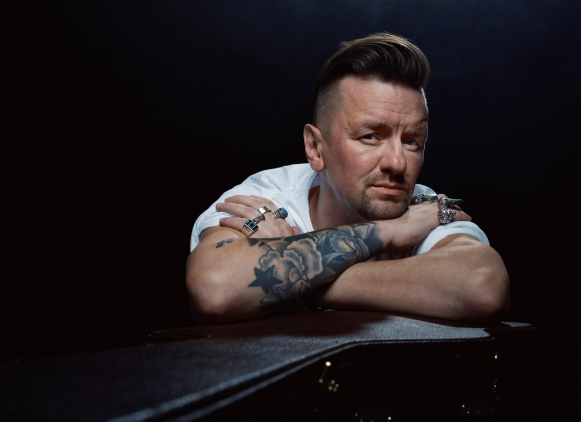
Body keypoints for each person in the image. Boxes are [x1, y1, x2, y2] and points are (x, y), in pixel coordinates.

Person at [186, 33, 510, 323]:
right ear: (315, 148)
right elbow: (215, 290)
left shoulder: (427, 209)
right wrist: (391, 230)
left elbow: (482, 288)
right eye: (370, 136)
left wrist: (296, 281)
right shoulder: (266, 201)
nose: (397, 163)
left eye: (412, 141)